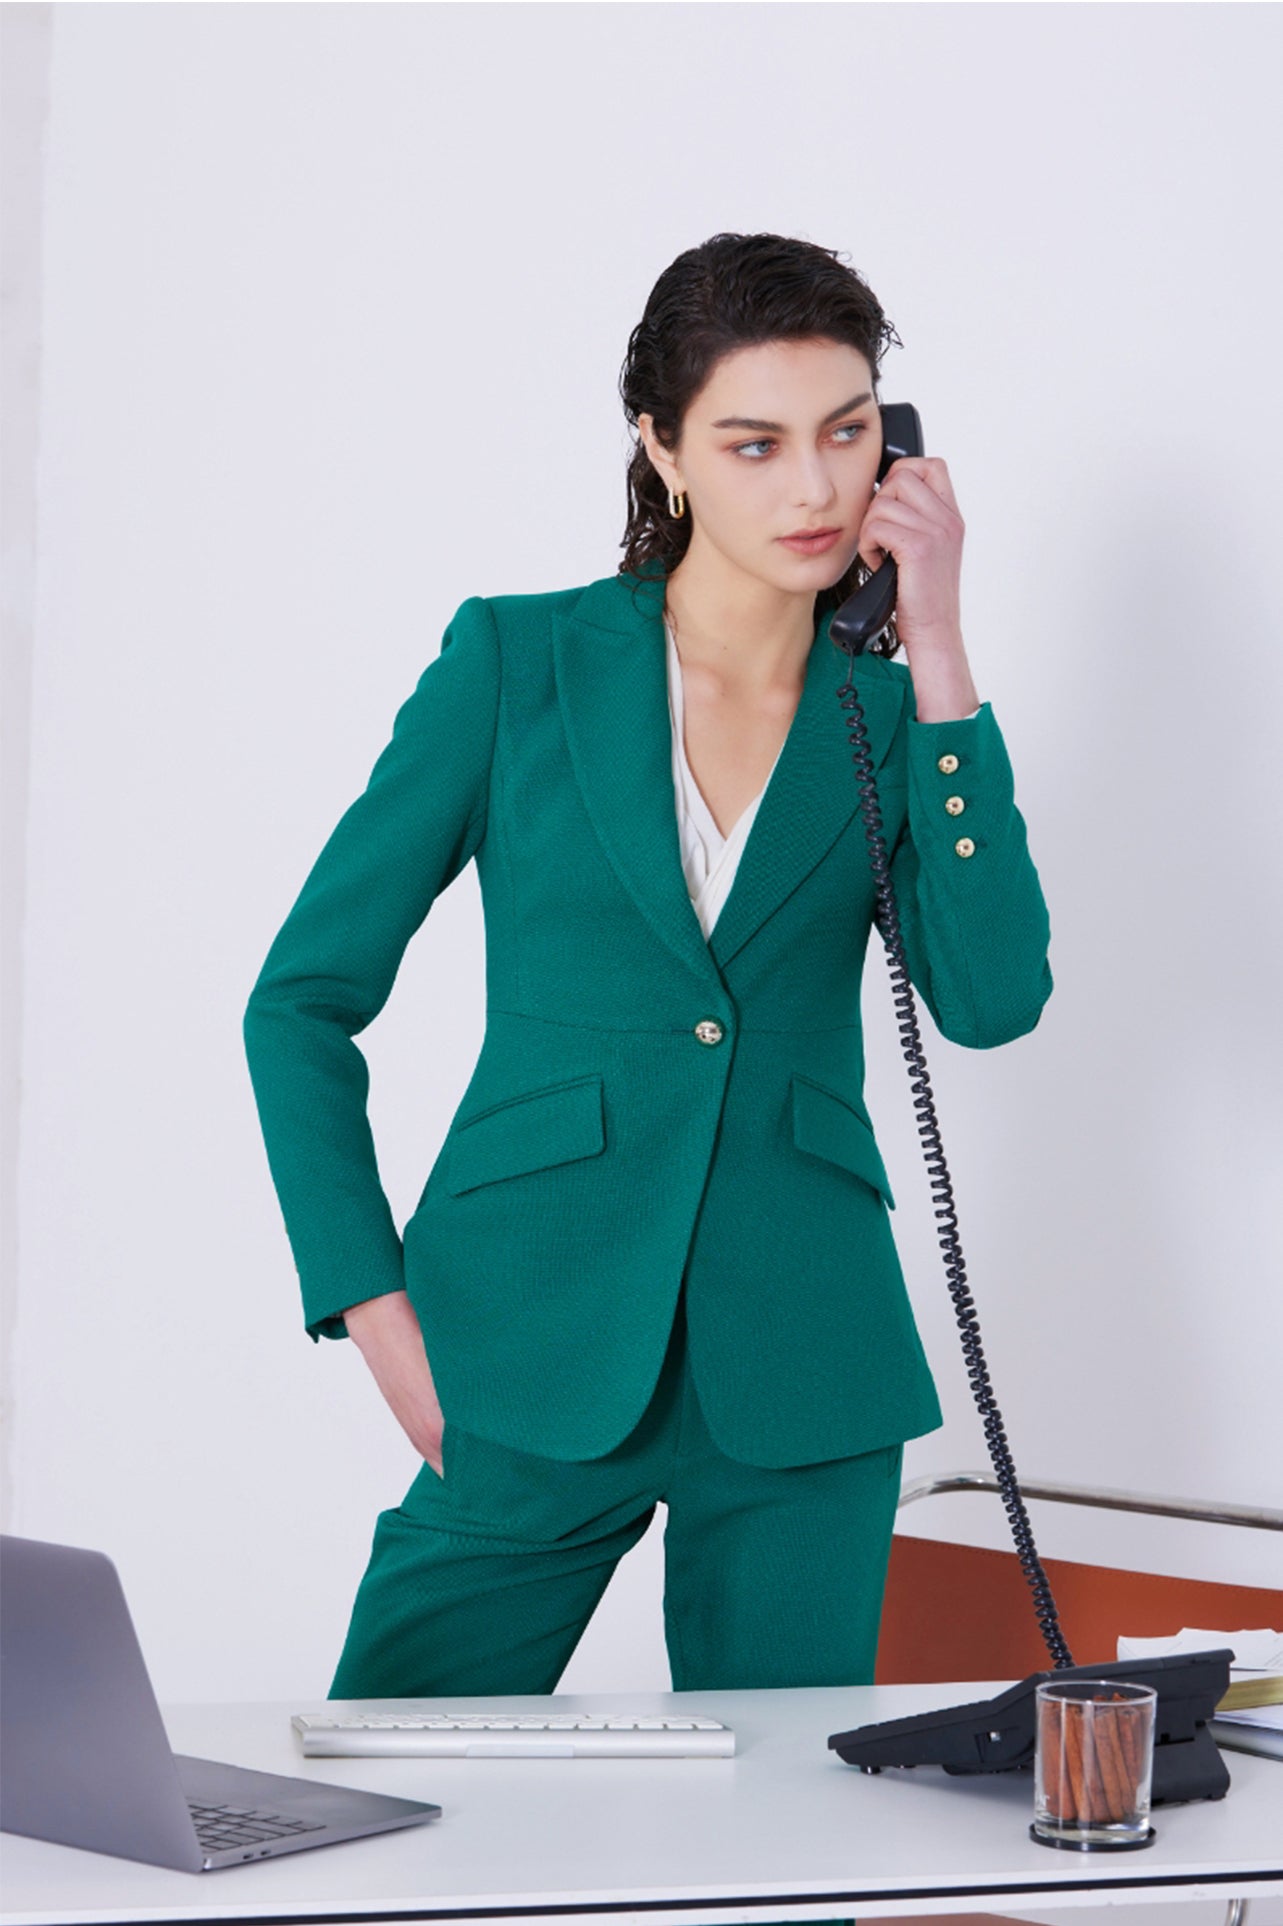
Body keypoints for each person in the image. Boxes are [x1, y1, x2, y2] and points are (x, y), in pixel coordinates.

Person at [243, 230, 1052, 1711]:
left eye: (847, 434)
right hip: (523, 1339)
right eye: (755, 444)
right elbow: (298, 1002)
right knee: (386, 1769)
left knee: (791, 1822)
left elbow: (994, 1001)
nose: (815, 489)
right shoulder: (518, 664)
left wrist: (936, 646)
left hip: (804, 1361)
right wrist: (372, 1308)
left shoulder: (889, 721)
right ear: (663, 449)